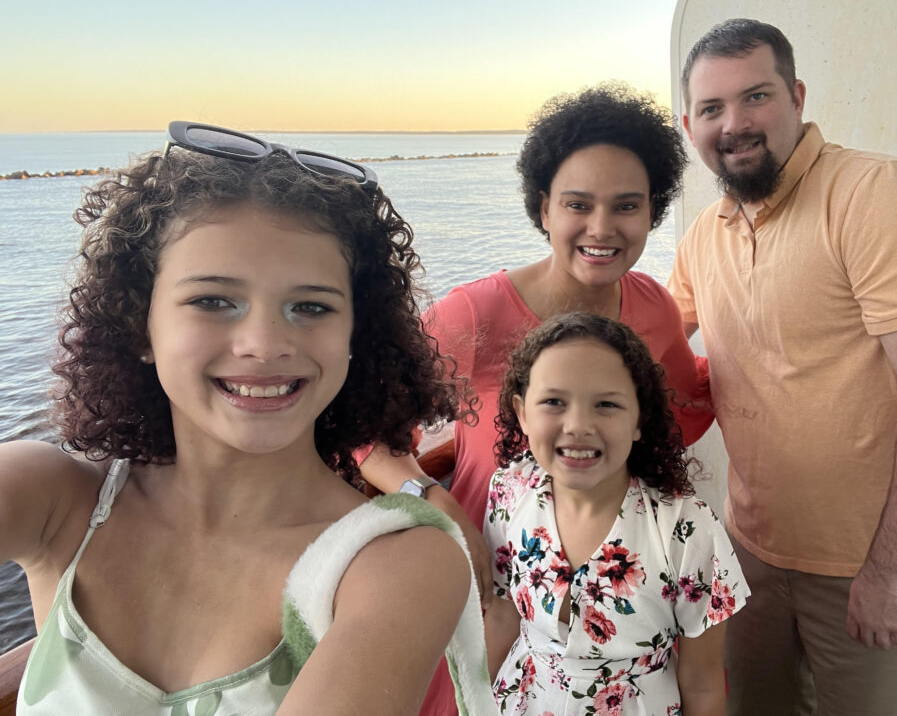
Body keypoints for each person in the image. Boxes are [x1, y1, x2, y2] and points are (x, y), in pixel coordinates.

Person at [0, 122, 499, 716]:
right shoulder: (50, 497)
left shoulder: (395, 563)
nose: (264, 343)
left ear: (353, 339)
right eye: (213, 300)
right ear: (140, 325)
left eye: (310, 306)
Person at [359, 83, 715, 716]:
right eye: (577, 203)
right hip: (480, 585)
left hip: (607, 602)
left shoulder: (655, 308)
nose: (601, 229)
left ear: (652, 212)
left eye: (626, 206)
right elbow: (364, 426)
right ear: (542, 208)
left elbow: (684, 408)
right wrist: (433, 499)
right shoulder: (474, 313)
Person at [667, 18, 897, 716]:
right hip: (753, 554)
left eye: (756, 97)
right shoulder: (705, 235)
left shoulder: (878, 194)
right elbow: (648, 342)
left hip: (872, 565)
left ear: (797, 95)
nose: (735, 124)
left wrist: (891, 570)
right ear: (689, 124)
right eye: (713, 109)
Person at [482, 312, 747, 716]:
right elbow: (501, 615)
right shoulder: (509, 491)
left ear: (639, 419)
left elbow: (703, 684)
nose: (578, 426)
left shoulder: (687, 529)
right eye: (553, 401)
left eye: (606, 404)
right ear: (522, 412)